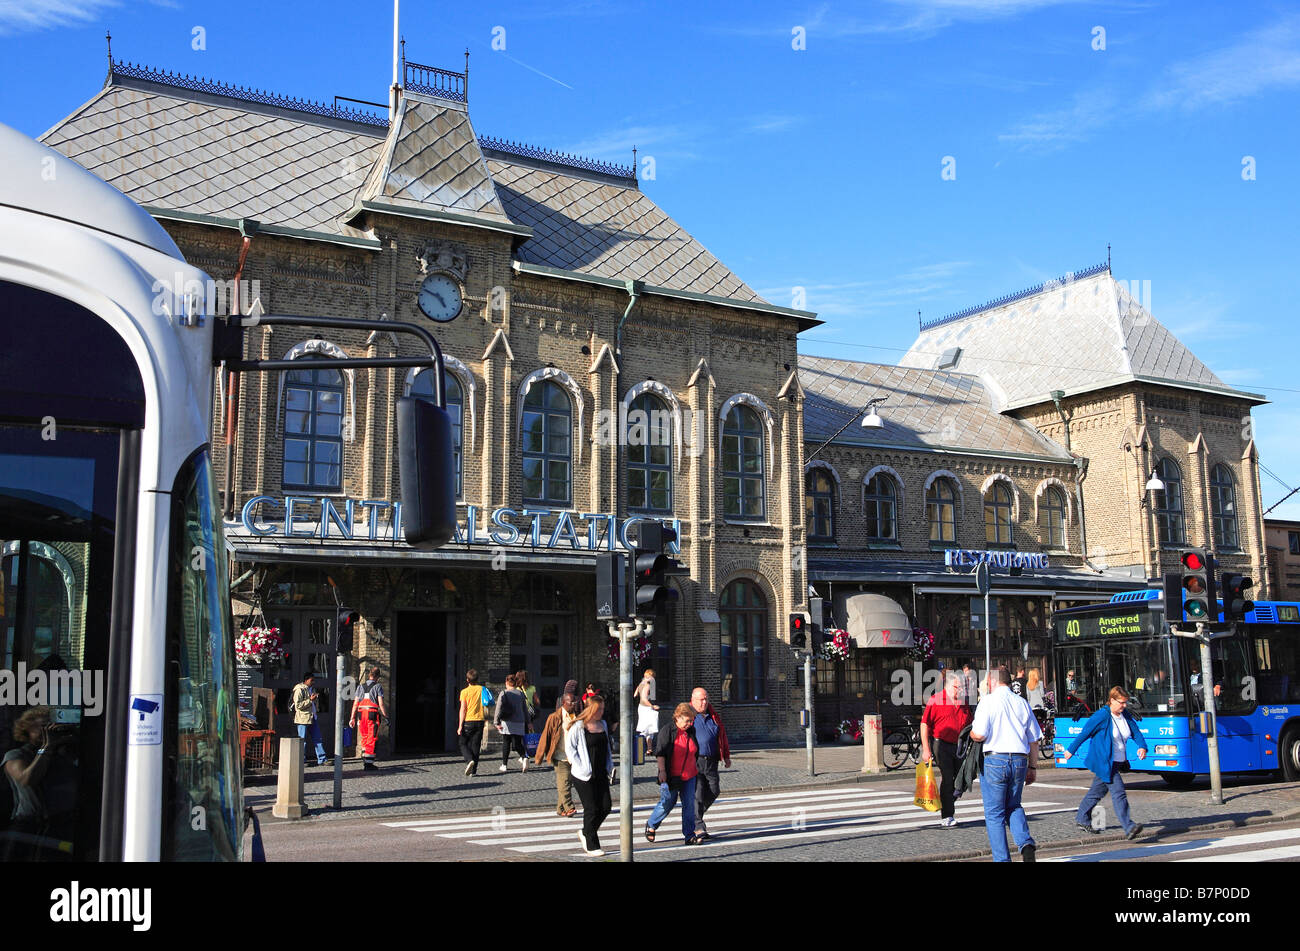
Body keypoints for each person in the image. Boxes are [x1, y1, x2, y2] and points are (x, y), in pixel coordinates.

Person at [969, 666, 1042, 862]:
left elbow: (980, 733)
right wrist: (1033, 767)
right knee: (1014, 805)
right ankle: (1025, 844)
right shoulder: (1022, 703)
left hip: (995, 759)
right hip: (1019, 759)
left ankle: (1002, 860)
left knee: (994, 814)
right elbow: (1034, 739)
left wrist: (971, 734)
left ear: (992, 681)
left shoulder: (988, 701)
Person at [1062, 686, 1148, 839]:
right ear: (1112, 700)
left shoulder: (1125, 714)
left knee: (1097, 791)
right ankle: (1129, 827)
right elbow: (1085, 733)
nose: (1124, 705)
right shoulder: (1101, 716)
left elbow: (1135, 732)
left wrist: (1142, 746)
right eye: (1121, 702)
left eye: (1125, 702)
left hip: (1116, 761)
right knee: (1118, 792)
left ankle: (1082, 817)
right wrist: (1070, 750)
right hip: (1104, 761)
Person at [3, 707, 78, 861]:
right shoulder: (16, 755)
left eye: (51, 725)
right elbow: (27, 779)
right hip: (29, 826)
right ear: (27, 730)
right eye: (42, 727)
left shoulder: (63, 755)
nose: (48, 730)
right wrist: (46, 747)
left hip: (59, 825)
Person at [920, 672, 974, 828]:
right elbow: (925, 724)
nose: (962, 690)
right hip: (941, 744)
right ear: (949, 686)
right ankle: (947, 815)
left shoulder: (963, 702)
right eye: (959, 687)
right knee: (948, 777)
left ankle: (947, 800)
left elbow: (970, 723)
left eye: (963, 687)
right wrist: (926, 749)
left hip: (959, 745)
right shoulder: (936, 700)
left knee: (963, 777)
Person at [645, 703, 701, 845]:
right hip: (671, 775)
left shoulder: (691, 731)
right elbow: (661, 753)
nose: (690, 723)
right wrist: (662, 771)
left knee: (689, 805)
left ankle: (689, 835)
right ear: (678, 717)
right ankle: (652, 824)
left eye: (691, 720)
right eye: (687, 720)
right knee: (667, 803)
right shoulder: (668, 730)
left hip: (689, 775)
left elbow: (694, 750)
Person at [565, 695, 614, 856]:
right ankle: (592, 844)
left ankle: (586, 831)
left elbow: (606, 747)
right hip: (583, 774)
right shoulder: (579, 726)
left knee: (606, 806)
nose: (601, 711)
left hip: (600, 772)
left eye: (603, 708)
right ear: (591, 709)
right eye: (599, 709)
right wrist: (577, 764)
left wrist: (609, 765)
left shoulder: (603, 724)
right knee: (591, 808)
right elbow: (570, 749)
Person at [689, 686, 731, 840]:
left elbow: (722, 736)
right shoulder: (689, 715)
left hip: (712, 760)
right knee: (698, 793)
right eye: (701, 699)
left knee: (714, 790)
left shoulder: (713, 715)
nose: (704, 702)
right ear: (693, 700)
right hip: (695, 761)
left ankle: (694, 815)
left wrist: (726, 756)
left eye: (706, 698)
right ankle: (698, 825)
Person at [535, 692, 580, 817]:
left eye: (575, 702)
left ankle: (561, 808)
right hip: (560, 756)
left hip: (573, 756)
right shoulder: (555, 717)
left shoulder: (577, 716)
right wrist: (539, 757)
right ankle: (569, 807)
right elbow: (545, 736)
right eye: (571, 702)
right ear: (564, 703)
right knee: (564, 782)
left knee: (568, 782)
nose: (574, 704)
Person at [349, 667, 388, 770]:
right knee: (371, 738)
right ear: (378, 677)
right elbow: (381, 703)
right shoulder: (378, 686)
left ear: (369, 675)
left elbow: (355, 704)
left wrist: (352, 718)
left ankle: (365, 759)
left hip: (361, 715)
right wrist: (385, 716)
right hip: (372, 714)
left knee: (365, 737)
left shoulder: (360, 687)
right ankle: (368, 764)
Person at [291, 672, 329, 766]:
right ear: (306, 680)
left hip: (312, 717)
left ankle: (322, 759)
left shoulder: (311, 689)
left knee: (318, 738)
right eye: (311, 680)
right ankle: (301, 760)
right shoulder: (299, 689)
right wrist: (310, 700)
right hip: (302, 719)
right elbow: (298, 705)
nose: (313, 682)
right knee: (302, 740)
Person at [495, 673, 529, 772]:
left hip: (507, 721)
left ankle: (504, 765)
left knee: (506, 743)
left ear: (507, 682)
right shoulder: (521, 693)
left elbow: (498, 708)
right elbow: (525, 709)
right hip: (519, 721)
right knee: (517, 743)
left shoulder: (504, 693)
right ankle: (524, 757)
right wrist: (528, 721)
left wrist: (496, 722)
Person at [457, 668, 486, 776]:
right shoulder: (482, 689)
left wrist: (460, 725)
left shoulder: (464, 692)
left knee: (462, 743)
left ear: (467, 680)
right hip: (480, 720)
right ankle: (473, 772)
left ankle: (469, 760)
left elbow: (463, 709)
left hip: (469, 720)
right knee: (476, 745)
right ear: (477, 679)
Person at [634, 669, 660, 744]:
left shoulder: (641, 684)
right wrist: (653, 706)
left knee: (645, 729)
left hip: (641, 707)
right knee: (648, 729)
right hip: (647, 708)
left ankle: (647, 749)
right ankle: (642, 749)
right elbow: (644, 699)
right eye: (652, 677)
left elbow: (635, 695)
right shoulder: (647, 685)